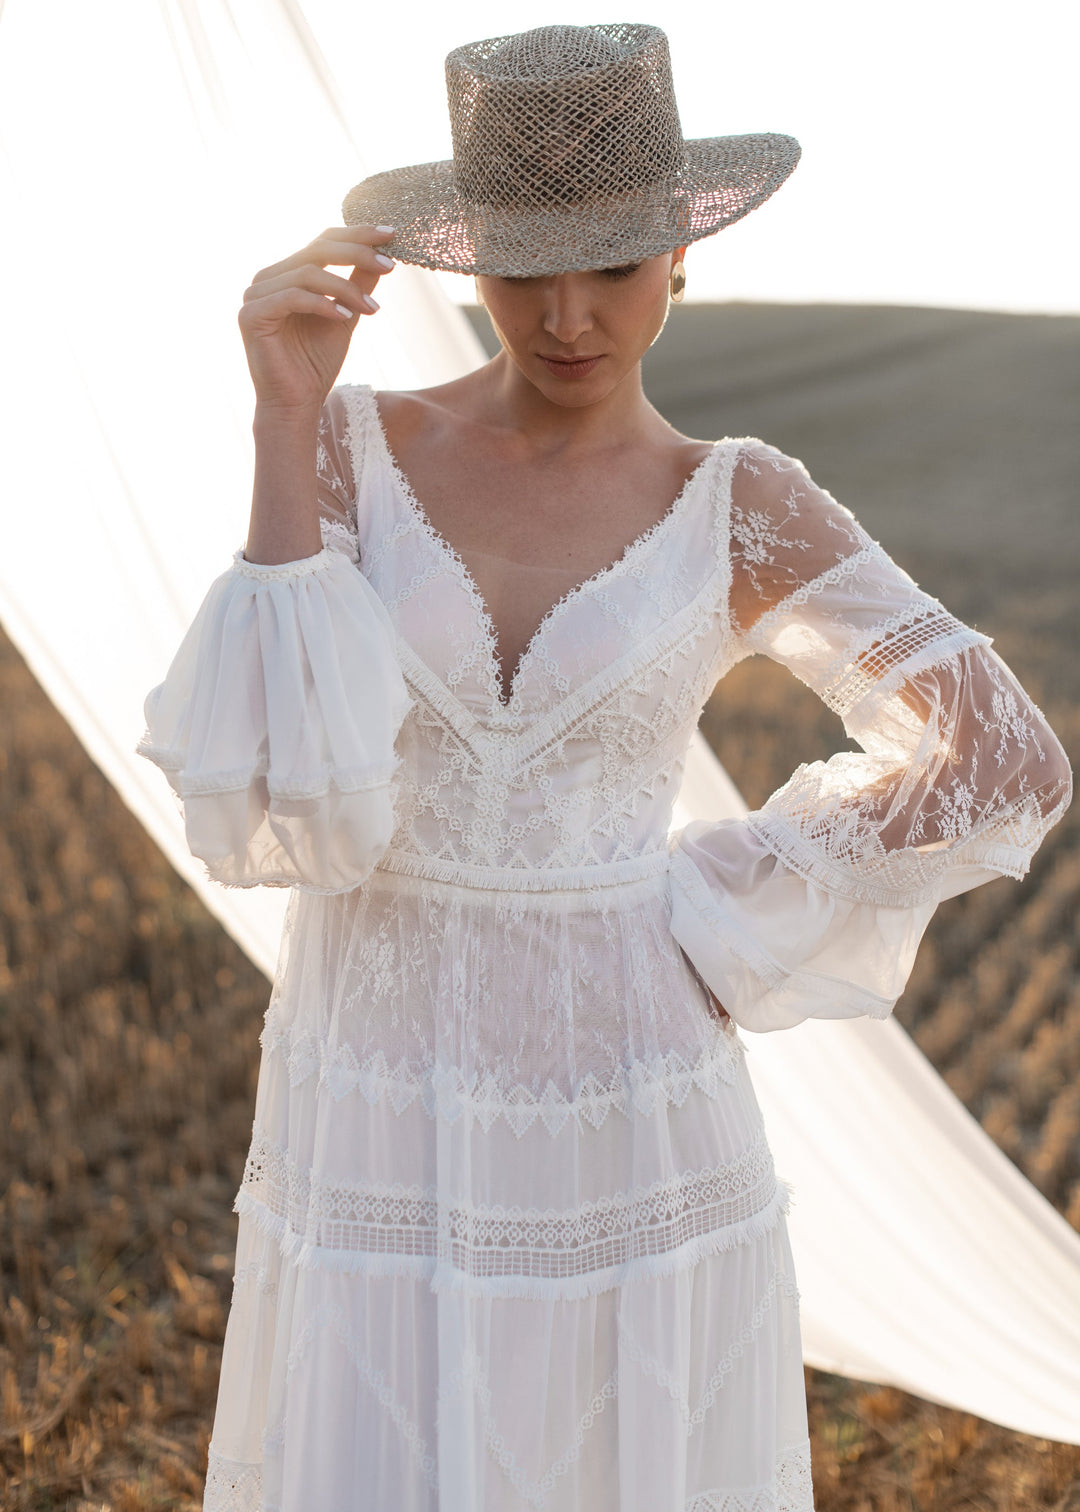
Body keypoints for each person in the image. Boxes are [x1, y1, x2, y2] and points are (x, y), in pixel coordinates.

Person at [137, 22, 1071, 1512]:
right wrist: (282, 409)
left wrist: (718, 904)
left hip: (632, 1096)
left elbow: (1003, 756)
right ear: (471, 269)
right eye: (524, 271)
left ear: (681, 257)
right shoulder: (353, 447)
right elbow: (267, 783)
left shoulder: (738, 503)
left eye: (615, 266)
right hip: (376, 1079)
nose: (567, 315)